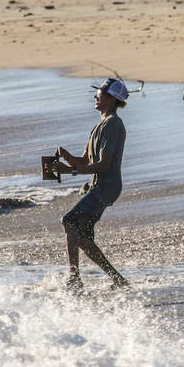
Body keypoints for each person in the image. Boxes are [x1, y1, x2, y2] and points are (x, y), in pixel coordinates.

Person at [55, 77, 130, 292]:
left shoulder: (113, 124)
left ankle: (74, 277)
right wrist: (67, 158)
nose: (95, 97)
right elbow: (85, 160)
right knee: (81, 234)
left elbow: (104, 165)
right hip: (98, 187)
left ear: (109, 98)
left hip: (106, 187)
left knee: (69, 221)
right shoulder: (99, 126)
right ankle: (116, 279)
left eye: (98, 93)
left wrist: (69, 171)